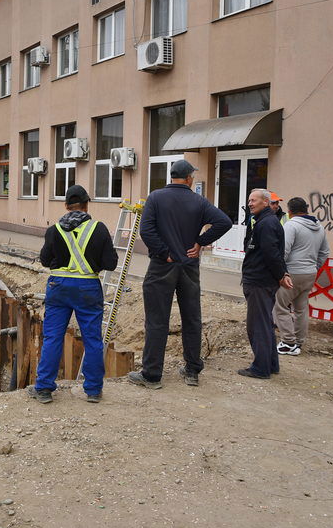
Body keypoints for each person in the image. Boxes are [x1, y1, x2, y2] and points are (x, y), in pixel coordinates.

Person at [127, 160, 231, 389]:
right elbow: (224, 222)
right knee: (192, 318)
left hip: (162, 267)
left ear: (172, 176)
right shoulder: (198, 201)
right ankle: (192, 371)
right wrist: (201, 242)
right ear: (189, 178)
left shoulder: (156, 198)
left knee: (157, 320)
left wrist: (165, 253)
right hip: (189, 266)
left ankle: (152, 375)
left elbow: (146, 231)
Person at [32, 185, 118, 404]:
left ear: (66, 206)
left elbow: (45, 260)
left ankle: (43, 388)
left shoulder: (54, 230)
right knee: (92, 339)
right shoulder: (98, 229)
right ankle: (93, 390)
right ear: (87, 204)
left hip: (58, 286)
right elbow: (111, 263)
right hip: (88, 287)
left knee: (53, 337)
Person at [239, 189, 292, 379]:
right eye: (249, 200)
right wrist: (281, 273)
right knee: (265, 323)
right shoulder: (264, 221)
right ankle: (270, 364)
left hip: (259, 281)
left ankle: (260, 368)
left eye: (254, 200)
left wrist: (281, 275)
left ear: (265, 202)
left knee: (257, 325)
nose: (250, 204)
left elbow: (272, 254)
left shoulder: (267, 223)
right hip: (262, 280)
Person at [274, 197, 330, 356]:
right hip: (309, 272)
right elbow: (325, 252)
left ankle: (288, 342)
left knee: (280, 306)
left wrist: (281, 272)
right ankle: (298, 341)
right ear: (305, 209)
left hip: (292, 272)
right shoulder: (319, 227)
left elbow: (283, 250)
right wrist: (315, 267)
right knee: (301, 308)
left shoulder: (291, 225)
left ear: (289, 211)